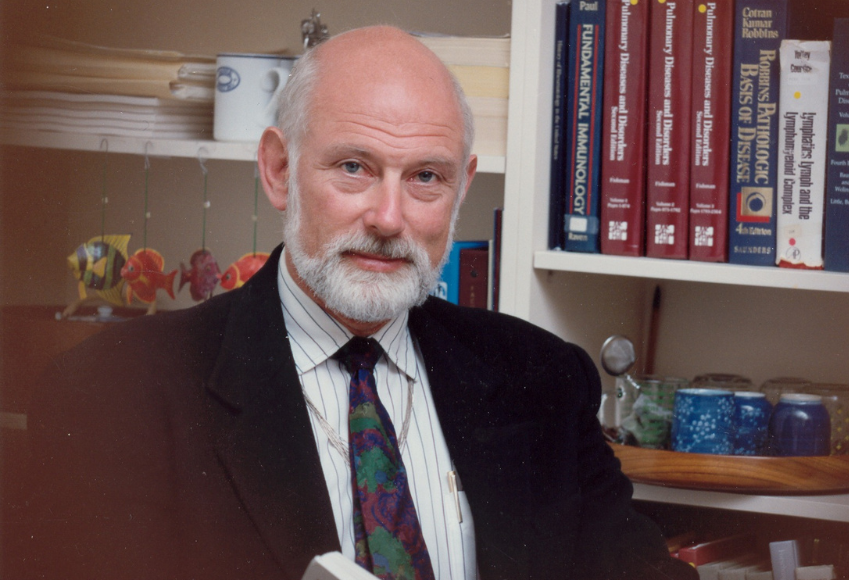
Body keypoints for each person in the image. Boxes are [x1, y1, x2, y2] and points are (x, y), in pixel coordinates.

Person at [16, 26, 697, 580]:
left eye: (425, 177)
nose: (388, 216)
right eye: (354, 167)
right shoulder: (110, 394)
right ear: (279, 170)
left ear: (461, 190)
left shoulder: (543, 377)